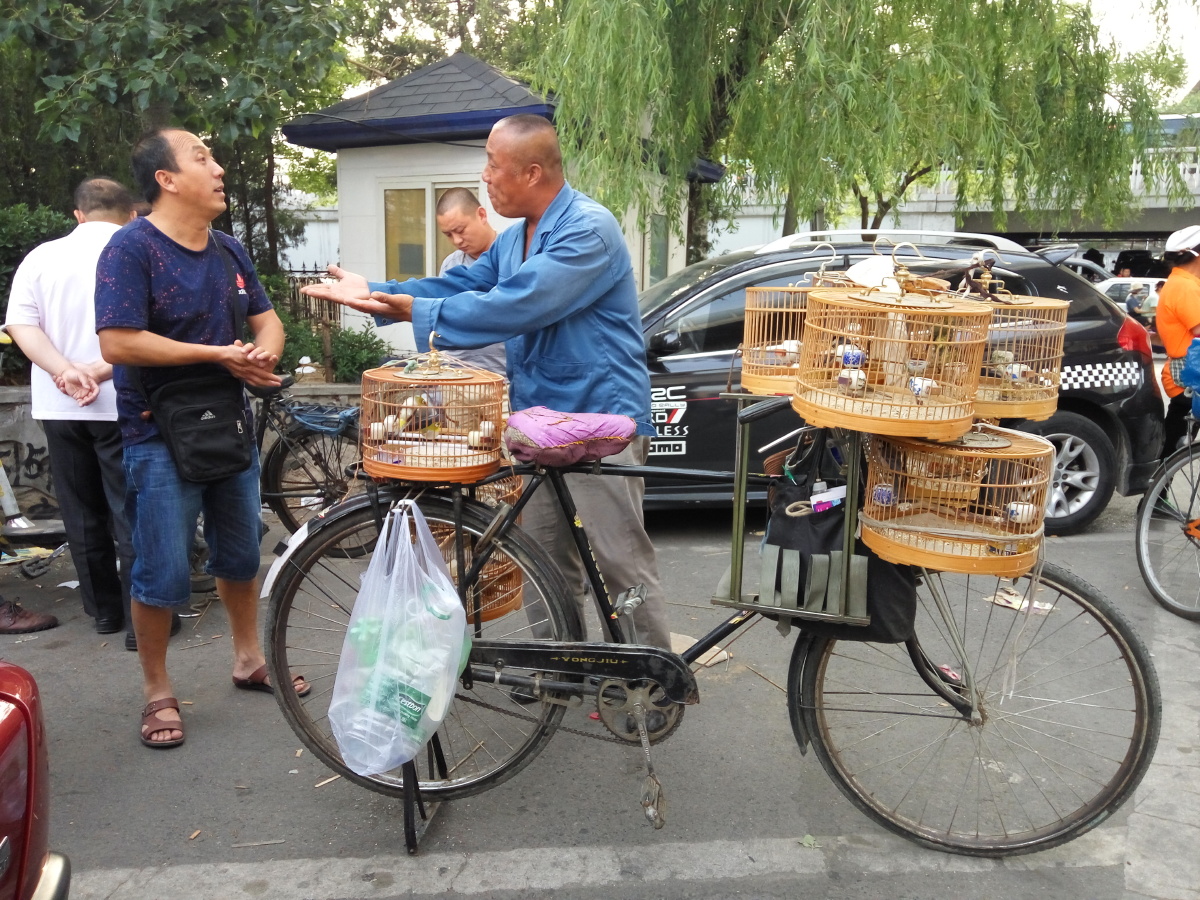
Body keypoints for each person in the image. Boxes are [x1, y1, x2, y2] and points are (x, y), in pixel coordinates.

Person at [302, 114, 672, 650]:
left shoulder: (586, 229)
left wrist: (412, 310)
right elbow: (459, 281)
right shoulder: (516, 238)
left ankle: (652, 677)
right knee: (546, 555)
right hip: (538, 420)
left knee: (618, 558)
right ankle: (560, 667)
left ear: (532, 172)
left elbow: (519, 304)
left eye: (494, 166)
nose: (486, 177)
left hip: (597, 415)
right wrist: (374, 292)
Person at [94, 128, 303, 749]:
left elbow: (269, 322)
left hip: (229, 427)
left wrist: (260, 359)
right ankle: (158, 692)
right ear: (166, 178)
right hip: (156, 435)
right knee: (161, 571)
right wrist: (219, 354)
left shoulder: (230, 251)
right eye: (201, 158)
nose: (217, 169)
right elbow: (118, 341)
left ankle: (247, 659)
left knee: (241, 556)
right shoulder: (131, 249)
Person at [3, 178, 140, 639]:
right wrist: (98, 371)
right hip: (123, 400)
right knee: (131, 512)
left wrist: (65, 371)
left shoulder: (41, 258)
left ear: (78, 214)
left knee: (81, 513)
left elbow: (20, 324)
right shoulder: (137, 251)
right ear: (131, 213)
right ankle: (142, 620)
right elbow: (150, 328)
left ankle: (103, 612)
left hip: (59, 404)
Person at [433, 188, 505, 374]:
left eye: (460, 230)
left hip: (503, 377)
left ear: (481, 215)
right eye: (448, 234)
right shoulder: (451, 264)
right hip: (456, 375)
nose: (457, 240)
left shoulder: (513, 255)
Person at [1154, 225, 1200, 456]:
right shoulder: (1185, 286)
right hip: (1190, 377)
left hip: (1185, 375)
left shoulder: (1180, 283)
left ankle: (1159, 490)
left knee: (1173, 446)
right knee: (1173, 448)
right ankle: (1159, 490)